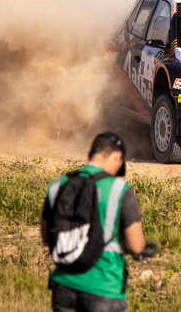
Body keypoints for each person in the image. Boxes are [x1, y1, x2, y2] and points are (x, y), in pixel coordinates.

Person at [42, 132, 150, 312]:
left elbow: (46, 237)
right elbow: (136, 246)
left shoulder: (58, 184)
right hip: (105, 288)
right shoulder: (120, 189)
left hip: (63, 288)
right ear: (117, 157)